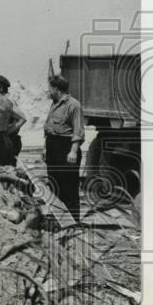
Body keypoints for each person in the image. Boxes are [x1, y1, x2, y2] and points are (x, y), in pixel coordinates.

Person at [43, 75, 85, 222]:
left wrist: (73, 150)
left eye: (49, 88)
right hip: (53, 145)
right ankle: (58, 220)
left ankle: (73, 221)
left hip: (66, 147)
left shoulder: (74, 105)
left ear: (56, 89)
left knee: (69, 186)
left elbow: (78, 130)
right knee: (54, 184)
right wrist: (45, 148)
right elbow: (50, 127)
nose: (48, 91)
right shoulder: (54, 103)